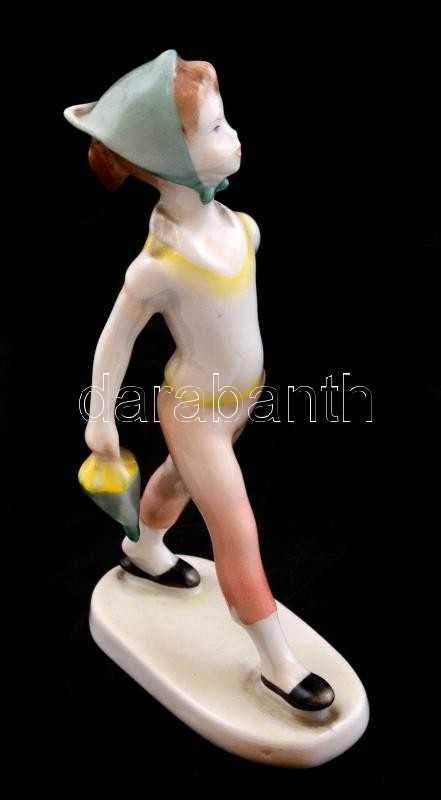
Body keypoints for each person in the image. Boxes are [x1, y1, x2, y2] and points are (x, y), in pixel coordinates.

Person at [64, 49, 335, 712]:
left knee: (176, 481)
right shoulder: (159, 264)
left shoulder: (243, 230)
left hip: (240, 400)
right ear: (169, 159)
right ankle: (277, 662)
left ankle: (144, 550)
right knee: (235, 525)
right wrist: (100, 420)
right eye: (215, 129)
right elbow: (114, 341)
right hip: (194, 412)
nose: (233, 135)